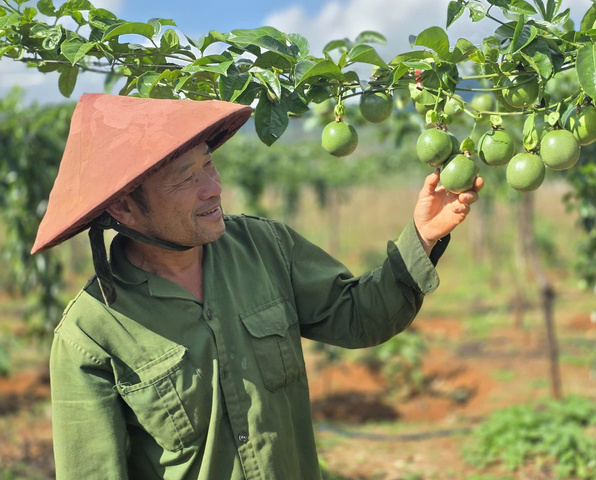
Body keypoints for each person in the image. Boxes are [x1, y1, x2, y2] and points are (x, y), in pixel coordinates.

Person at [32, 93, 482, 479]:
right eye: (187, 178)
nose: (213, 188)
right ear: (125, 209)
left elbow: (360, 317)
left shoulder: (265, 246)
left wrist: (424, 237)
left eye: (208, 165)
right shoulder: (90, 334)